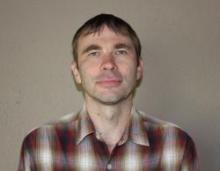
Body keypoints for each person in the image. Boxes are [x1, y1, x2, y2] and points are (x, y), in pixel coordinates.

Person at [18, 14, 198, 171]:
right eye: (94, 53)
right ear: (76, 73)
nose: (108, 63)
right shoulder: (39, 144)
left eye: (120, 51)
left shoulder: (176, 144)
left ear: (138, 69)